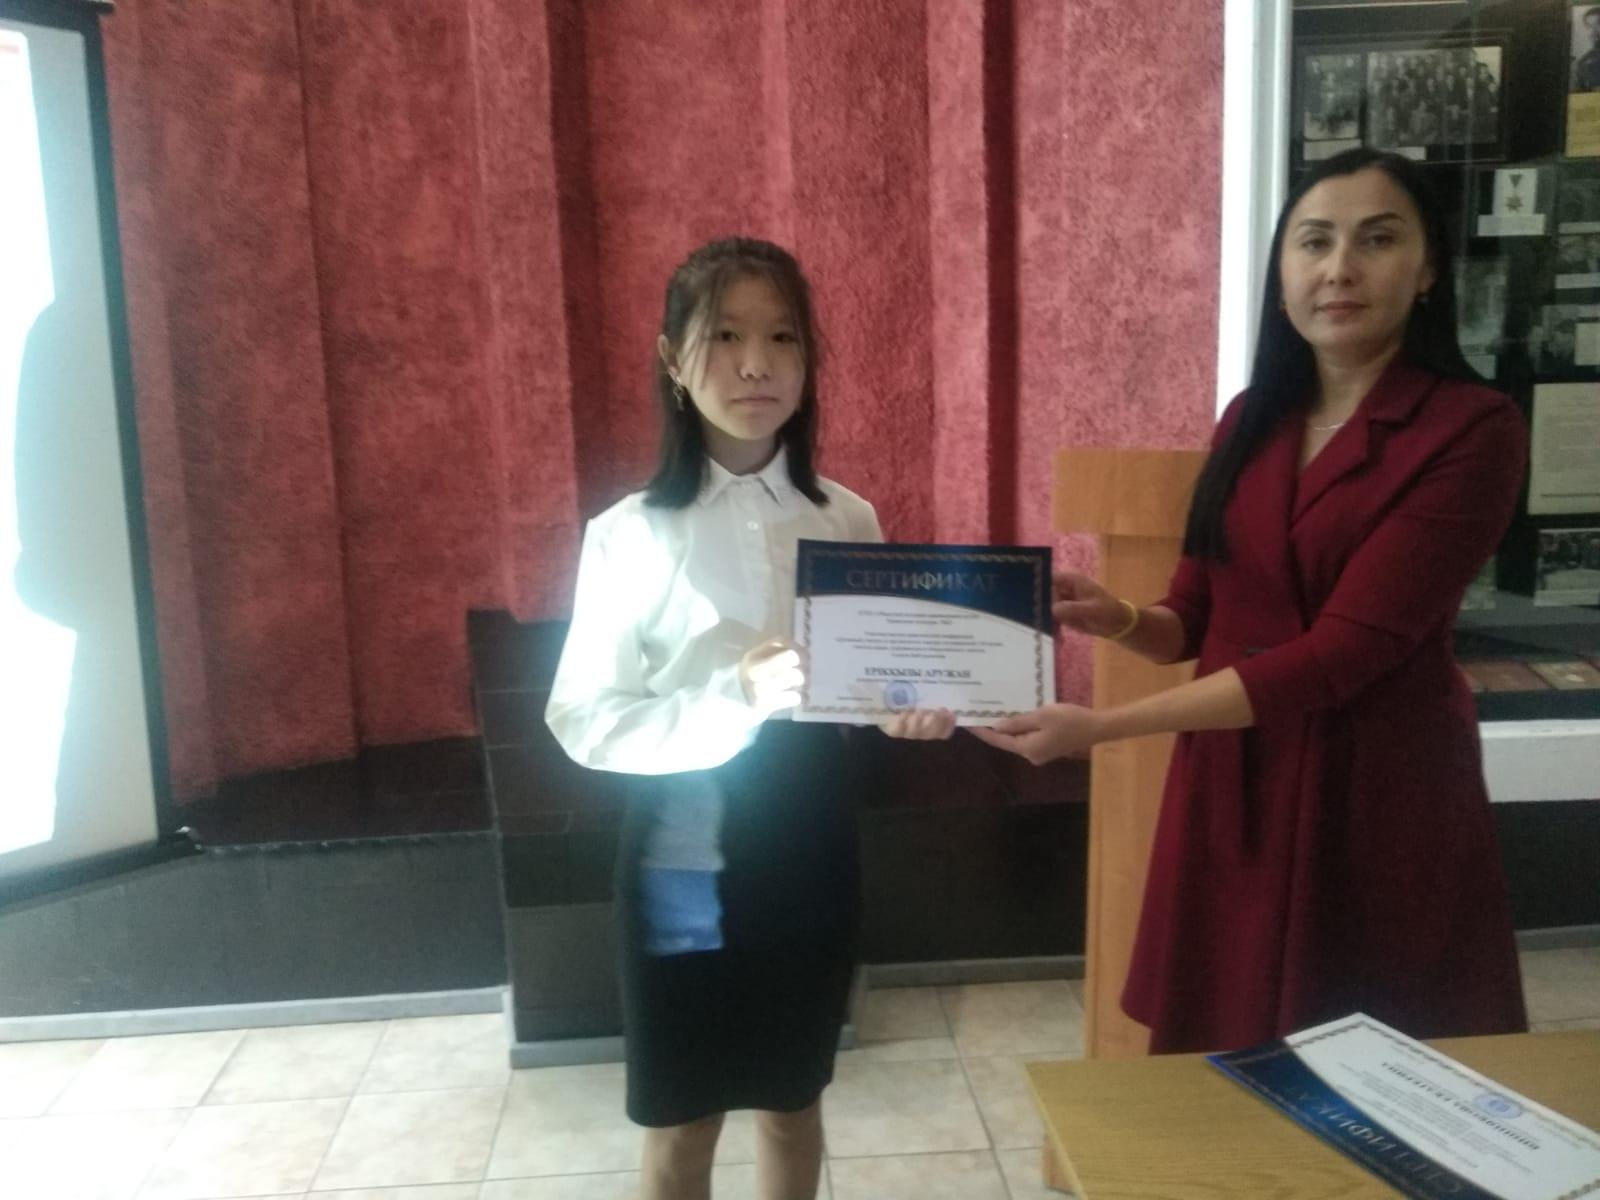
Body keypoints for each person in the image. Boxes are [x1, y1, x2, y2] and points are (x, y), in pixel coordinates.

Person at [972, 148, 1529, 1053]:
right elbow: (1192, 618)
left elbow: (1343, 653)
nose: (1339, 268)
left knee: (1368, 1063)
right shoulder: (1253, 417)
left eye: (1376, 240)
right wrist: (1118, 618)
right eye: (1314, 242)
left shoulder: (1472, 429)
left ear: (1428, 269)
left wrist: (1102, 729)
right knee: (1223, 1050)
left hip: (1371, 789)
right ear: (1282, 274)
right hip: (1236, 781)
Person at [545, 237, 950, 1200]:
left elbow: (869, 684)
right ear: (671, 358)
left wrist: (909, 711)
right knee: (682, 1119)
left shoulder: (846, 517)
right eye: (724, 336)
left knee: (792, 1102)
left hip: (809, 833)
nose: (757, 364)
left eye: (782, 338)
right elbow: (584, 719)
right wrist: (734, 694)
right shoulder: (630, 533)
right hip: (681, 842)